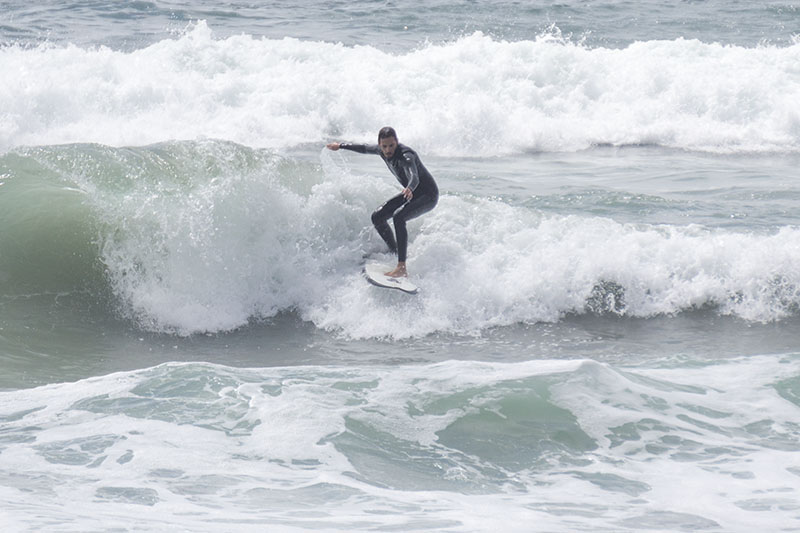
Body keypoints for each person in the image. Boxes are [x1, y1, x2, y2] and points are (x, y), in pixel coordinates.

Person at [327, 127, 438, 278]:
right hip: (410, 193)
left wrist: (410, 187)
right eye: (384, 146)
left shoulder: (406, 156)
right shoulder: (381, 150)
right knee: (377, 217)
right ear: (380, 145)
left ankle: (401, 267)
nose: (388, 150)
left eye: (391, 145)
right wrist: (340, 145)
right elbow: (364, 148)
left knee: (399, 217)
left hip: (427, 195)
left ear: (397, 142)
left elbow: (414, 176)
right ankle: (395, 251)